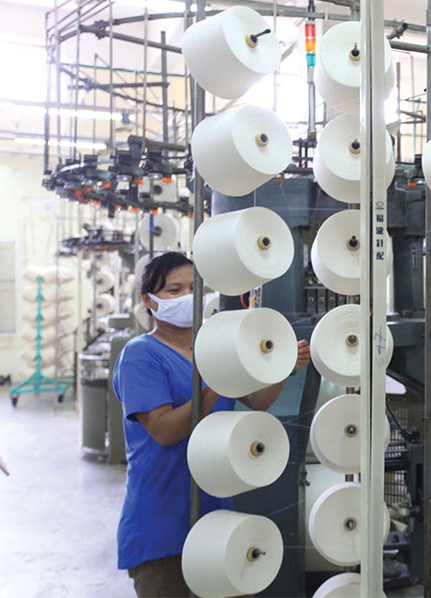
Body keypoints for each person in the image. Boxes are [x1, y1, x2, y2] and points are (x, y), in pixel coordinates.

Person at [113, 251, 310, 597]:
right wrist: (216, 381)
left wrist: (281, 366)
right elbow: (164, 431)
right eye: (174, 290)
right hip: (162, 520)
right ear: (148, 300)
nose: (188, 297)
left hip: (216, 512)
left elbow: (258, 400)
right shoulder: (140, 355)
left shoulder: (213, 347)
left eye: (195, 288)